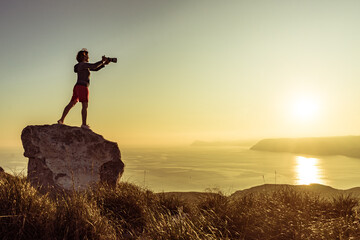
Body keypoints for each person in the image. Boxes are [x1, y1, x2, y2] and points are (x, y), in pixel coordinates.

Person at [58, 48, 110, 129]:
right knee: (85, 105)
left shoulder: (81, 65)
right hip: (83, 87)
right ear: (83, 57)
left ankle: (61, 120)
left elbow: (95, 69)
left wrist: (104, 64)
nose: (88, 57)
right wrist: (102, 61)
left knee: (71, 103)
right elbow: (94, 66)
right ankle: (84, 124)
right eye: (87, 56)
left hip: (77, 86)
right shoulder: (83, 64)